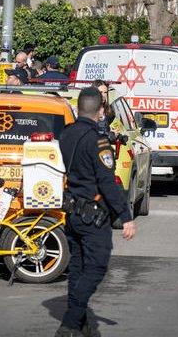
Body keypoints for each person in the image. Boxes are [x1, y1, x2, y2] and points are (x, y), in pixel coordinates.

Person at [57, 87, 135, 337]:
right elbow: (107, 181)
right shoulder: (97, 140)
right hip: (93, 216)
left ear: (78, 108)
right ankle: (70, 323)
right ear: (100, 111)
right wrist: (125, 216)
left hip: (73, 212)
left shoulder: (66, 135)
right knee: (97, 267)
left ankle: (80, 324)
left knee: (78, 268)